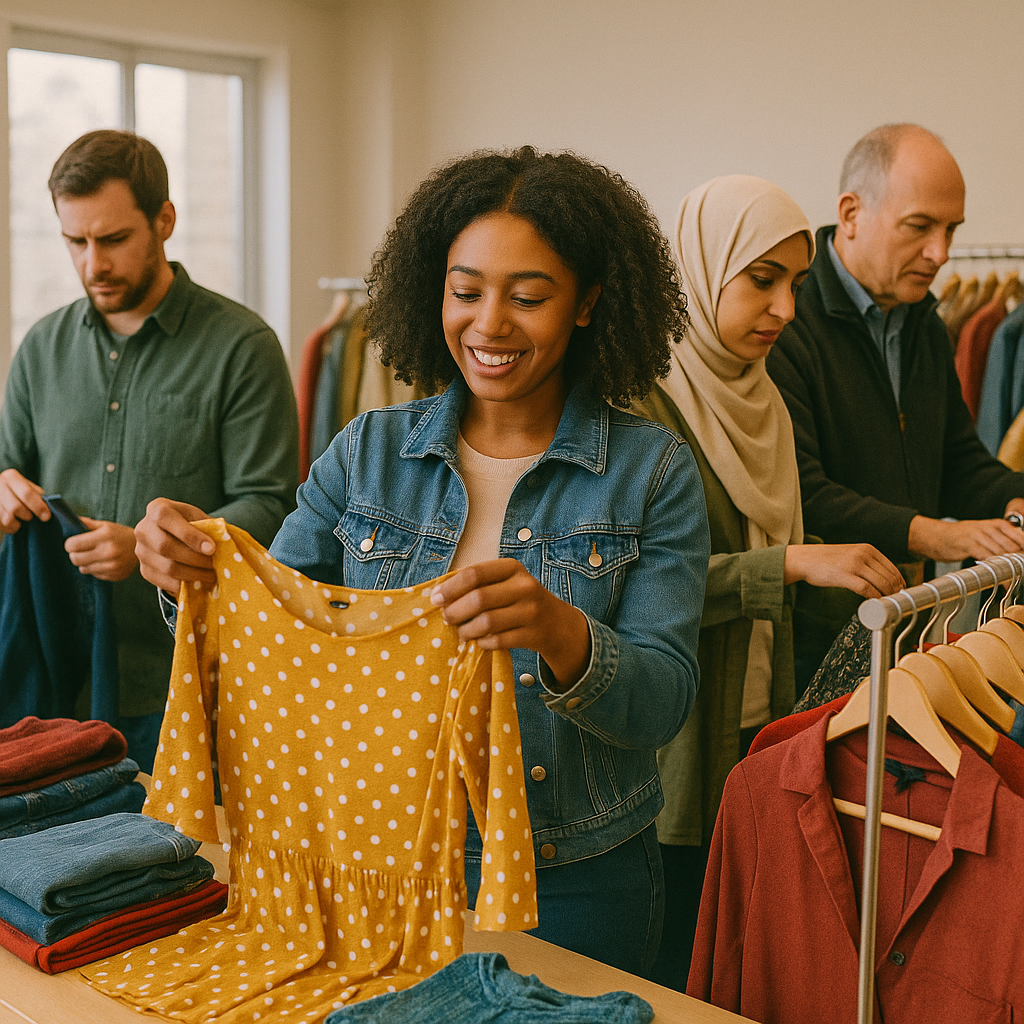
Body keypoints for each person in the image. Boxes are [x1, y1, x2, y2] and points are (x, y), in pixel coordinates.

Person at [133, 145, 710, 977]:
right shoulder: (365, 454)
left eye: (529, 297)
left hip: (578, 880)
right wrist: (191, 574)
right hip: (376, 864)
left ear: (586, 303)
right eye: (466, 291)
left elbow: (663, 703)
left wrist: (561, 633)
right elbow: (270, 639)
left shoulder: (651, 472)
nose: (489, 325)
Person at [632, 175, 905, 988]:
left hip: (755, 728)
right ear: (698, 268)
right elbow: (632, 584)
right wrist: (790, 563)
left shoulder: (762, 400)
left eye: (795, 283)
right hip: (672, 748)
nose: (785, 308)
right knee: (669, 968)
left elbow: (765, 536)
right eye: (762, 280)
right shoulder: (641, 407)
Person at [0, 130, 299, 772]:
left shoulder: (242, 347)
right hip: (50, 684)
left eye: (112, 240)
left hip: (184, 681)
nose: (92, 265)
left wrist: (148, 548)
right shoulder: (40, 349)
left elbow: (272, 508)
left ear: (164, 221)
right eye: (74, 242)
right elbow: (7, 468)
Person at [766, 123, 1024, 667]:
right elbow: (802, 492)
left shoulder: (923, 323)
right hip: (812, 637)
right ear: (852, 213)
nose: (940, 252)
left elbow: (955, 461)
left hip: (904, 621)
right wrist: (937, 537)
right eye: (920, 227)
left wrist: (1012, 498)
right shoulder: (786, 318)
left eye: (951, 230)